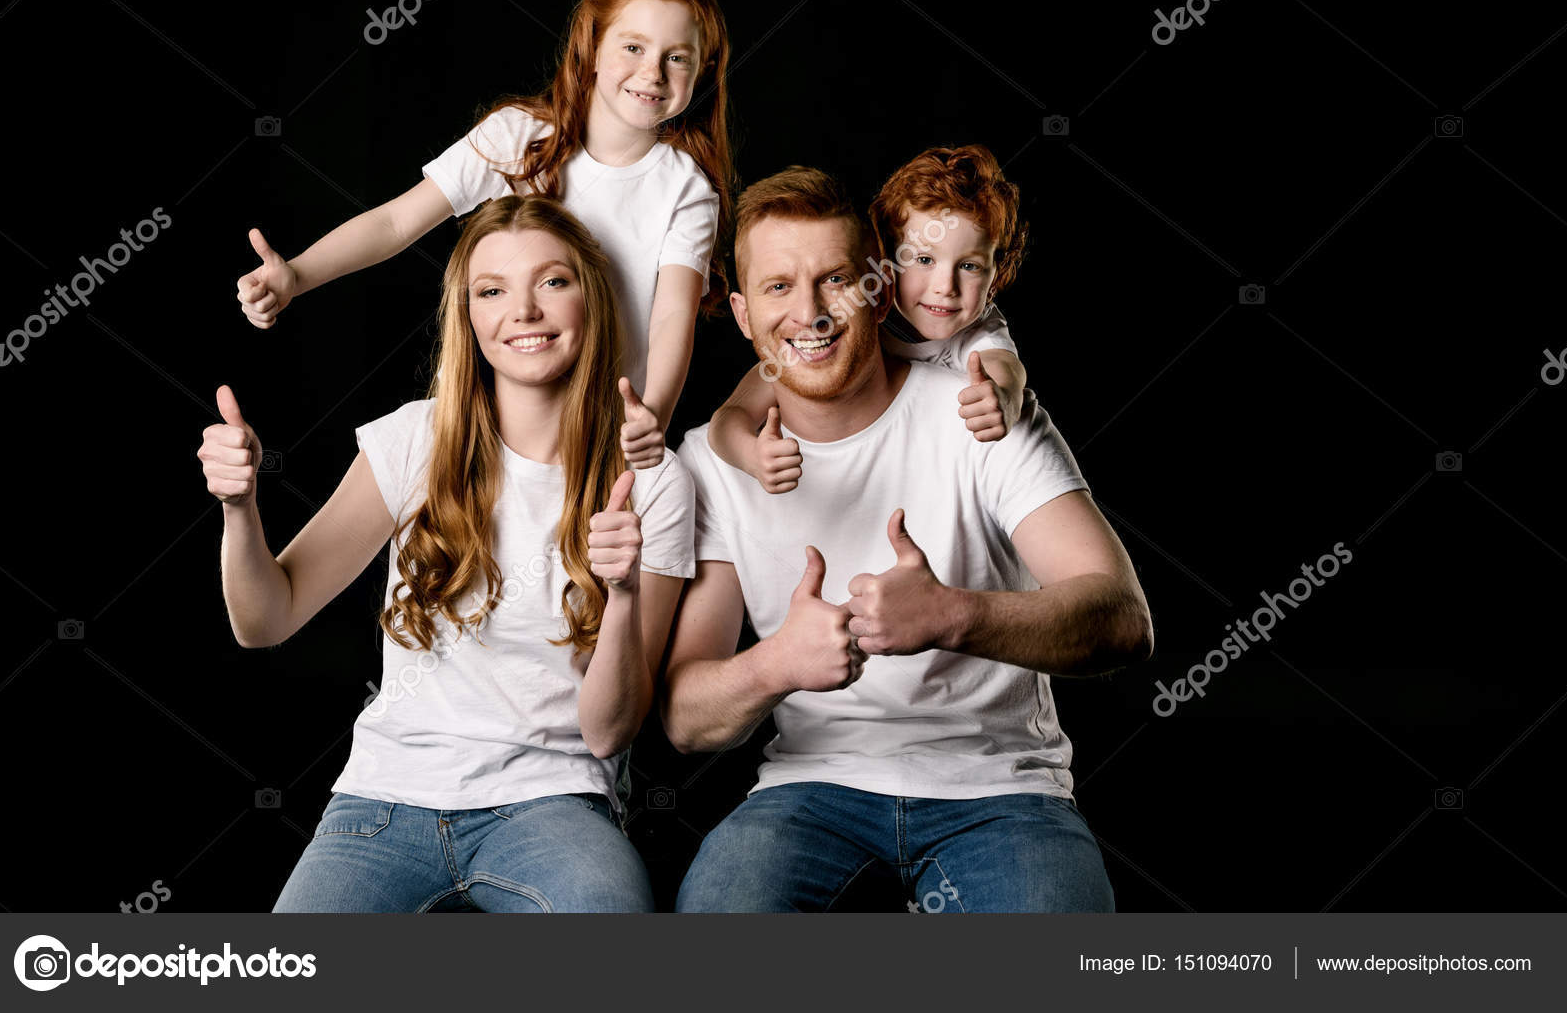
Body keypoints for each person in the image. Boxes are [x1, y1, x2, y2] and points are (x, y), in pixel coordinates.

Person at [661, 167, 1153, 913]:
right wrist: (777, 664)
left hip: (998, 788)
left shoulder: (977, 410)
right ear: (741, 312)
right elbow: (687, 720)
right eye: (778, 288)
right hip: (810, 786)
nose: (810, 313)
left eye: (835, 281)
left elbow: (1122, 617)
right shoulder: (712, 460)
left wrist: (952, 615)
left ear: (878, 291)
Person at [199, 195, 695, 911]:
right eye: (492, 291)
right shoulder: (414, 441)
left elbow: (609, 729)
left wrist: (623, 595)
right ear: (468, 317)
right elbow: (264, 620)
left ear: (592, 300)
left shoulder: (653, 481)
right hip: (384, 799)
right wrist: (239, 510)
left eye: (552, 282)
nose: (522, 310)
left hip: (552, 805)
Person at [235, 0, 734, 469]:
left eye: (677, 58)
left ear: (701, 71)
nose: (653, 72)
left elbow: (673, 314)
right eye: (634, 47)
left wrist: (651, 420)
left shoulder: (686, 188)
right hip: (501, 419)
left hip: (600, 436)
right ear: (593, 49)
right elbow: (395, 223)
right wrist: (297, 275)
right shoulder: (517, 138)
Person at [707, 145, 1028, 492]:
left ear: (995, 281)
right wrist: (751, 458)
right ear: (884, 264)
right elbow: (727, 419)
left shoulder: (979, 329)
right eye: (923, 260)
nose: (944, 287)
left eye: (969, 266)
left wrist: (1006, 399)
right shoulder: (859, 310)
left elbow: (1004, 368)